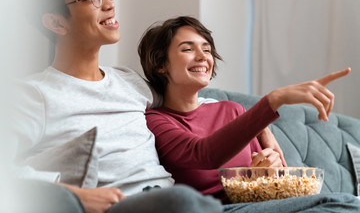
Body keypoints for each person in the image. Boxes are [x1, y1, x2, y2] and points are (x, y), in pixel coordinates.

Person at [8, 0, 360, 212]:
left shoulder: (131, 83)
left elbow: (195, 103)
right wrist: (74, 196)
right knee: (187, 203)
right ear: (56, 23)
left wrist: (265, 133)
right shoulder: (34, 94)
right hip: (132, 205)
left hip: (176, 198)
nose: (110, 4)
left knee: (341, 202)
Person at [138, 16, 353, 202]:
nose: (203, 56)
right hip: (216, 208)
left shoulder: (232, 111)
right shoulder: (156, 121)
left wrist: (270, 169)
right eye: (187, 49)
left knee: (343, 203)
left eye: (206, 49)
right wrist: (274, 99)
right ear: (160, 64)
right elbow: (204, 154)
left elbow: (274, 182)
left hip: (259, 205)